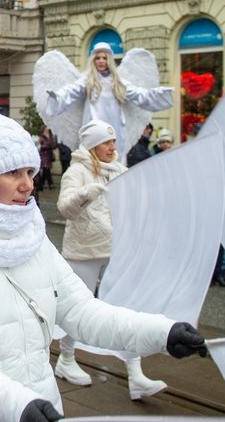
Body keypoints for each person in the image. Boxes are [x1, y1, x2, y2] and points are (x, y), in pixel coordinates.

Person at [0, 103, 208, 422]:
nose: (28, 184)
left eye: (30, 171)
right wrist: (13, 405)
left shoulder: (31, 236)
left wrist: (162, 333)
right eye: (12, 173)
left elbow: (82, 312)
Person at [54, 119, 169, 400]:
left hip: (116, 249)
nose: (111, 147)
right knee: (76, 309)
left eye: (113, 141)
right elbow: (64, 208)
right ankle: (66, 359)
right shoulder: (77, 170)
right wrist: (85, 194)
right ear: (92, 146)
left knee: (124, 309)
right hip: (84, 251)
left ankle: (136, 374)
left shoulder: (119, 170)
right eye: (105, 142)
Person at [36, 42, 174, 158]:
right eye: (98, 58)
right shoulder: (87, 80)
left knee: (114, 158)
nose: (101, 61)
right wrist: (56, 97)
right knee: (92, 161)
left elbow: (139, 95)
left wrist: (158, 94)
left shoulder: (118, 82)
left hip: (114, 128)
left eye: (104, 58)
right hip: (93, 127)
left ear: (109, 60)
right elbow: (70, 92)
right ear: (93, 60)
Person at [36, 125, 57, 190]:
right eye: (45, 129)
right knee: (46, 168)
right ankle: (50, 184)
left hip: (49, 155)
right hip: (43, 155)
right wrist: (48, 146)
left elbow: (54, 145)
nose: (47, 130)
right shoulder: (41, 137)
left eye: (47, 129)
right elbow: (40, 146)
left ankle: (41, 184)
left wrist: (50, 144)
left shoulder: (51, 136)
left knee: (46, 170)